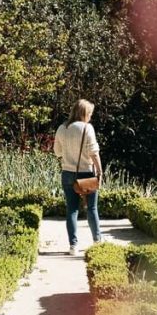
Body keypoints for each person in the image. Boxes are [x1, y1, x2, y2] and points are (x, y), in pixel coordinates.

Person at [54, 98, 103, 255]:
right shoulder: (87, 128)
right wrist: (100, 172)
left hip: (68, 173)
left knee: (72, 210)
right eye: (89, 114)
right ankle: (97, 241)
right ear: (84, 113)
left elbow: (58, 152)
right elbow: (94, 153)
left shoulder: (62, 128)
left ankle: (73, 246)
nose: (90, 117)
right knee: (92, 208)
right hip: (87, 174)